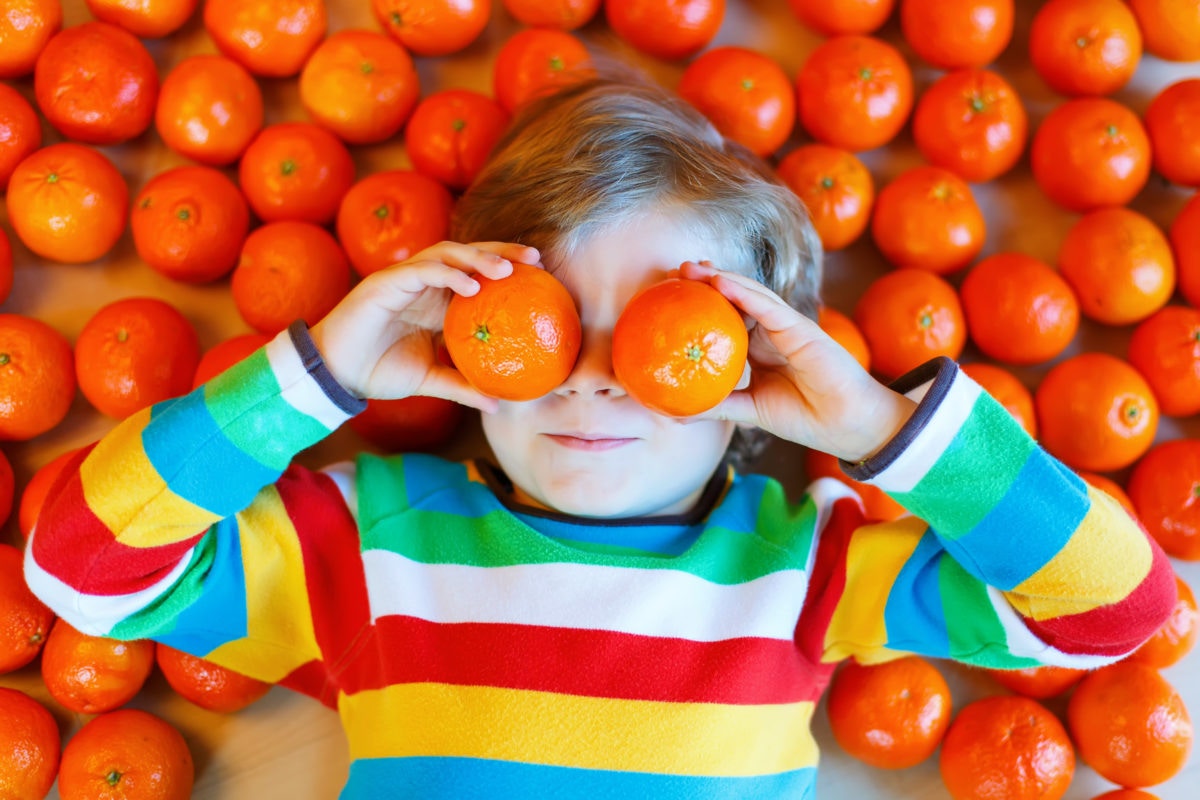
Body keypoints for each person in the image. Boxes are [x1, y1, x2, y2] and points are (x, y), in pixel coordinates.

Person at [26, 74, 1175, 799]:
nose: (592, 377)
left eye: (664, 337)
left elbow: (1113, 611)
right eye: (548, 324)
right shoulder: (370, 537)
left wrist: (881, 425)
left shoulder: (808, 559)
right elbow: (82, 572)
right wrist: (317, 375)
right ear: (465, 339)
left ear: (754, 367)